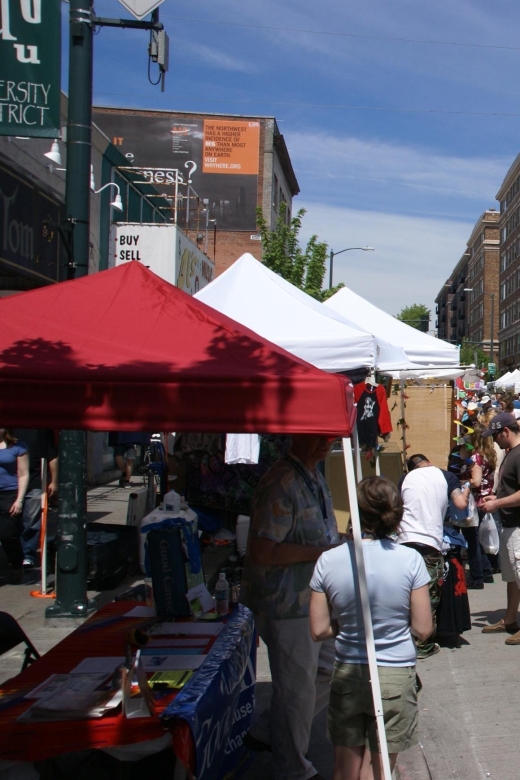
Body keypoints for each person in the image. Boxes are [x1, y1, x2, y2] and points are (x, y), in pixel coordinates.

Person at [309, 476, 432, 780]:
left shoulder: (328, 560)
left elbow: (318, 629)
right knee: (380, 771)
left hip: (349, 671)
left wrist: (348, 625)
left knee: (344, 770)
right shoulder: (410, 560)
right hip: (394, 673)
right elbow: (423, 628)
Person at [240, 434, 340, 780]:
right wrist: (322, 552)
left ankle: (273, 731)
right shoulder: (282, 482)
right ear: (297, 436)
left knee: (329, 669)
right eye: (318, 436)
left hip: (312, 598)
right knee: (296, 685)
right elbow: (263, 550)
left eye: (330, 436)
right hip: (286, 603)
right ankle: (293, 767)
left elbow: (319, 536)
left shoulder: (312, 475)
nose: (326, 442)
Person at [397, 453, 470, 658]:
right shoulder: (446, 476)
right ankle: (423, 644)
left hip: (404, 541)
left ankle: (405, 638)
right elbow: (460, 504)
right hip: (429, 542)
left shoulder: (405, 479)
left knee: (405, 590)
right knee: (429, 593)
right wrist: (465, 491)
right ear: (429, 462)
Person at [481, 413, 520, 643]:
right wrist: (496, 496)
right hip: (509, 524)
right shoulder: (510, 454)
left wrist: (498, 502)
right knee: (512, 577)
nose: (494, 440)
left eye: (496, 435)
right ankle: (509, 618)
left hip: (517, 525)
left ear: (506, 431)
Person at [458, 424, 496, 588]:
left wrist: (462, 482)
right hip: (484, 500)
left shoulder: (476, 458)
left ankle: (476, 577)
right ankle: (486, 572)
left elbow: (476, 481)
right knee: (478, 540)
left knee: (472, 540)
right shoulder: (487, 455)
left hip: (475, 502)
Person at [13, 429, 58, 569]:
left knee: (31, 522)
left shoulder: (41, 429)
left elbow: (52, 456)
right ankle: (14, 554)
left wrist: (54, 481)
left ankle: (27, 554)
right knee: (11, 522)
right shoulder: (9, 429)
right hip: (11, 485)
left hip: (35, 482)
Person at [0, 428, 29, 581]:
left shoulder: (18, 447)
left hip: (9, 495)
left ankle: (17, 564)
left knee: (8, 534)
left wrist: (19, 499)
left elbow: (23, 474)